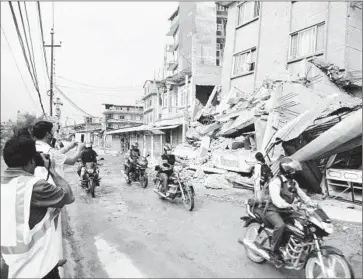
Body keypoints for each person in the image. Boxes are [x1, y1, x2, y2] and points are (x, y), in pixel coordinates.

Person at [1, 135, 75, 279]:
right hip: (39, 270)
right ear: (30, 162)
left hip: (12, 267)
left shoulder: (4, 185)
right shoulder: (35, 187)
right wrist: (52, 170)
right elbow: (68, 196)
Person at [264, 157, 316, 264]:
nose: (294, 172)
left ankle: (293, 247)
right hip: (273, 210)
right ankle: (273, 251)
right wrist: (290, 205)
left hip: (286, 211)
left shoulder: (293, 182)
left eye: (294, 170)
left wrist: (312, 203)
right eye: (292, 170)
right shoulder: (276, 181)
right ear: (286, 170)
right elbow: (276, 200)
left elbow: (302, 195)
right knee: (280, 226)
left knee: (302, 224)